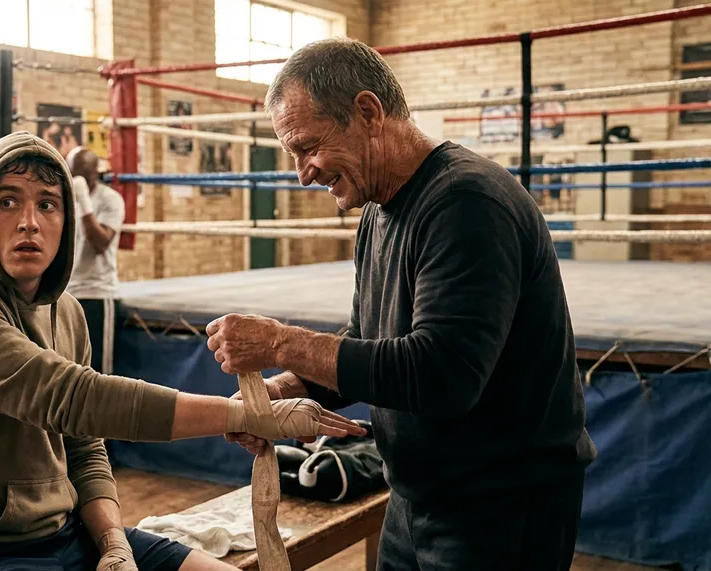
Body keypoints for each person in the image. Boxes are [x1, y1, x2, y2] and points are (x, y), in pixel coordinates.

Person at [0, 131, 366, 571]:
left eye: (47, 204)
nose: (29, 222)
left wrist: (114, 544)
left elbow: (85, 442)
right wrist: (249, 415)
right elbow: (72, 398)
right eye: (7, 202)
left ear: (66, 217)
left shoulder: (64, 311)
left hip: (64, 535)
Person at [205, 37, 598, 571]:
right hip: (417, 495)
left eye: (309, 147)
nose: (304, 173)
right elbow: (370, 345)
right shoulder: (379, 209)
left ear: (368, 111)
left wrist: (279, 342)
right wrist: (281, 393)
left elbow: (442, 374)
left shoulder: (466, 203)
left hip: (501, 506)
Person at [65, 146, 125, 374]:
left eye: (82, 173)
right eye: (72, 173)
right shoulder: (63, 198)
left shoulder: (111, 200)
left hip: (98, 294)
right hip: (66, 294)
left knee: (98, 371)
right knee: (69, 368)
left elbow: (100, 244)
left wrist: (83, 203)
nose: (76, 179)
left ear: (94, 173)